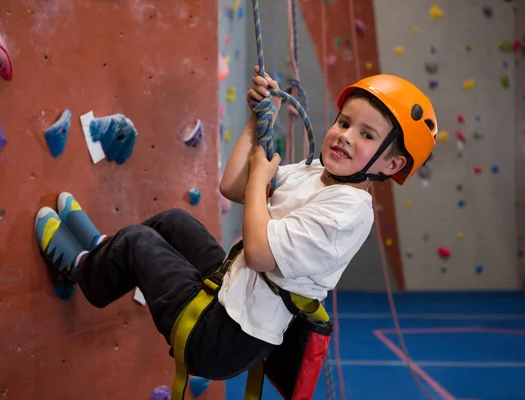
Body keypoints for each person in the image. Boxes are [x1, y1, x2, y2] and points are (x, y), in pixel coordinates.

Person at [33, 67, 437, 381]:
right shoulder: (314, 174)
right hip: (231, 291)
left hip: (224, 338)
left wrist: (262, 178)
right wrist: (256, 121)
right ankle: (106, 254)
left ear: (392, 164)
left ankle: (84, 271)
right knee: (174, 222)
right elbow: (233, 187)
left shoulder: (350, 211)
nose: (346, 136)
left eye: (366, 135)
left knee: (140, 242)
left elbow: (260, 253)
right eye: (344, 122)